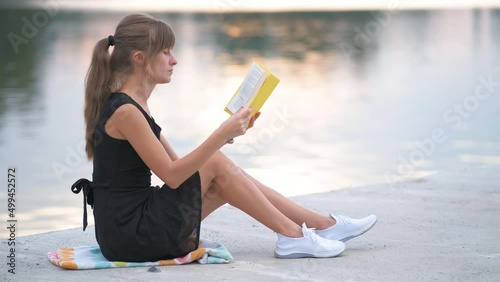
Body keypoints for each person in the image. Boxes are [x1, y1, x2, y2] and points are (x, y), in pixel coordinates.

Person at [71, 13, 377, 262]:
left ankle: (321, 226)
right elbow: (173, 177)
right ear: (140, 58)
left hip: (132, 228)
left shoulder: (136, 106)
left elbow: (184, 170)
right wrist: (219, 136)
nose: (173, 60)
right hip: (130, 235)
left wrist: (229, 134)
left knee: (223, 173)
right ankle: (294, 236)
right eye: (165, 52)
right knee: (217, 162)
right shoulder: (125, 111)